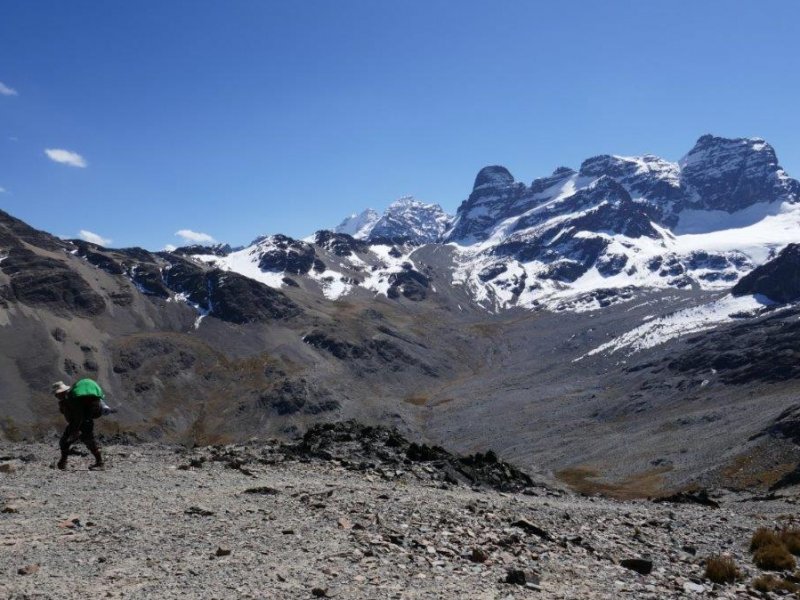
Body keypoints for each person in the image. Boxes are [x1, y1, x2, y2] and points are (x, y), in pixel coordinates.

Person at [52, 379, 108, 471]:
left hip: (81, 422)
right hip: (83, 422)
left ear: (62, 392)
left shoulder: (72, 399)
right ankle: (63, 462)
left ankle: (99, 463)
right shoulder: (68, 399)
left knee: (69, 441)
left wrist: (75, 429)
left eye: (57, 393)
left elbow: (78, 414)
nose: (56, 396)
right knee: (86, 441)